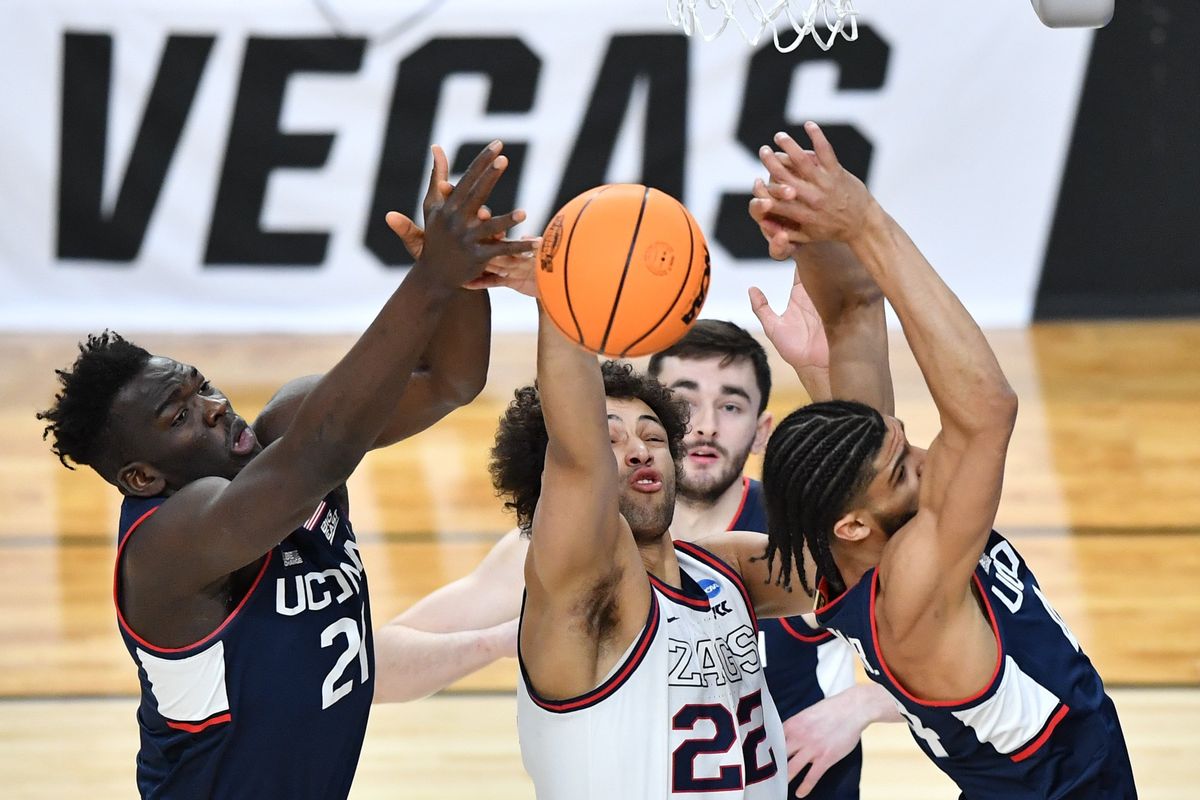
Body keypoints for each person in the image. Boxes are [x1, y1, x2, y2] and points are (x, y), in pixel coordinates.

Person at [36, 142, 536, 799]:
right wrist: (429, 282)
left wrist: (462, 281)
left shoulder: (286, 426)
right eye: (178, 417)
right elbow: (319, 454)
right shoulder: (167, 549)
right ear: (142, 478)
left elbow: (451, 380)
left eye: (201, 387)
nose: (214, 408)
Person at [375, 245, 901, 800]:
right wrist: (561, 304)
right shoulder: (577, 584)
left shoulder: (728, 568)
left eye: (654, 437)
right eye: (611, 440)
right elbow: (577, 462)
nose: (639, 451)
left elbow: (875, 539)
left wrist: (835, 353)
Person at [750, 123, 1137, 798]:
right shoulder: (912, 585)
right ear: (852, 525)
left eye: (904, 444)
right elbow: (988, 409)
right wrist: (865, 220)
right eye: (902, 469)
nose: (927, 461)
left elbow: (855, 317)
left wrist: (812, 233)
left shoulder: (857, 535)